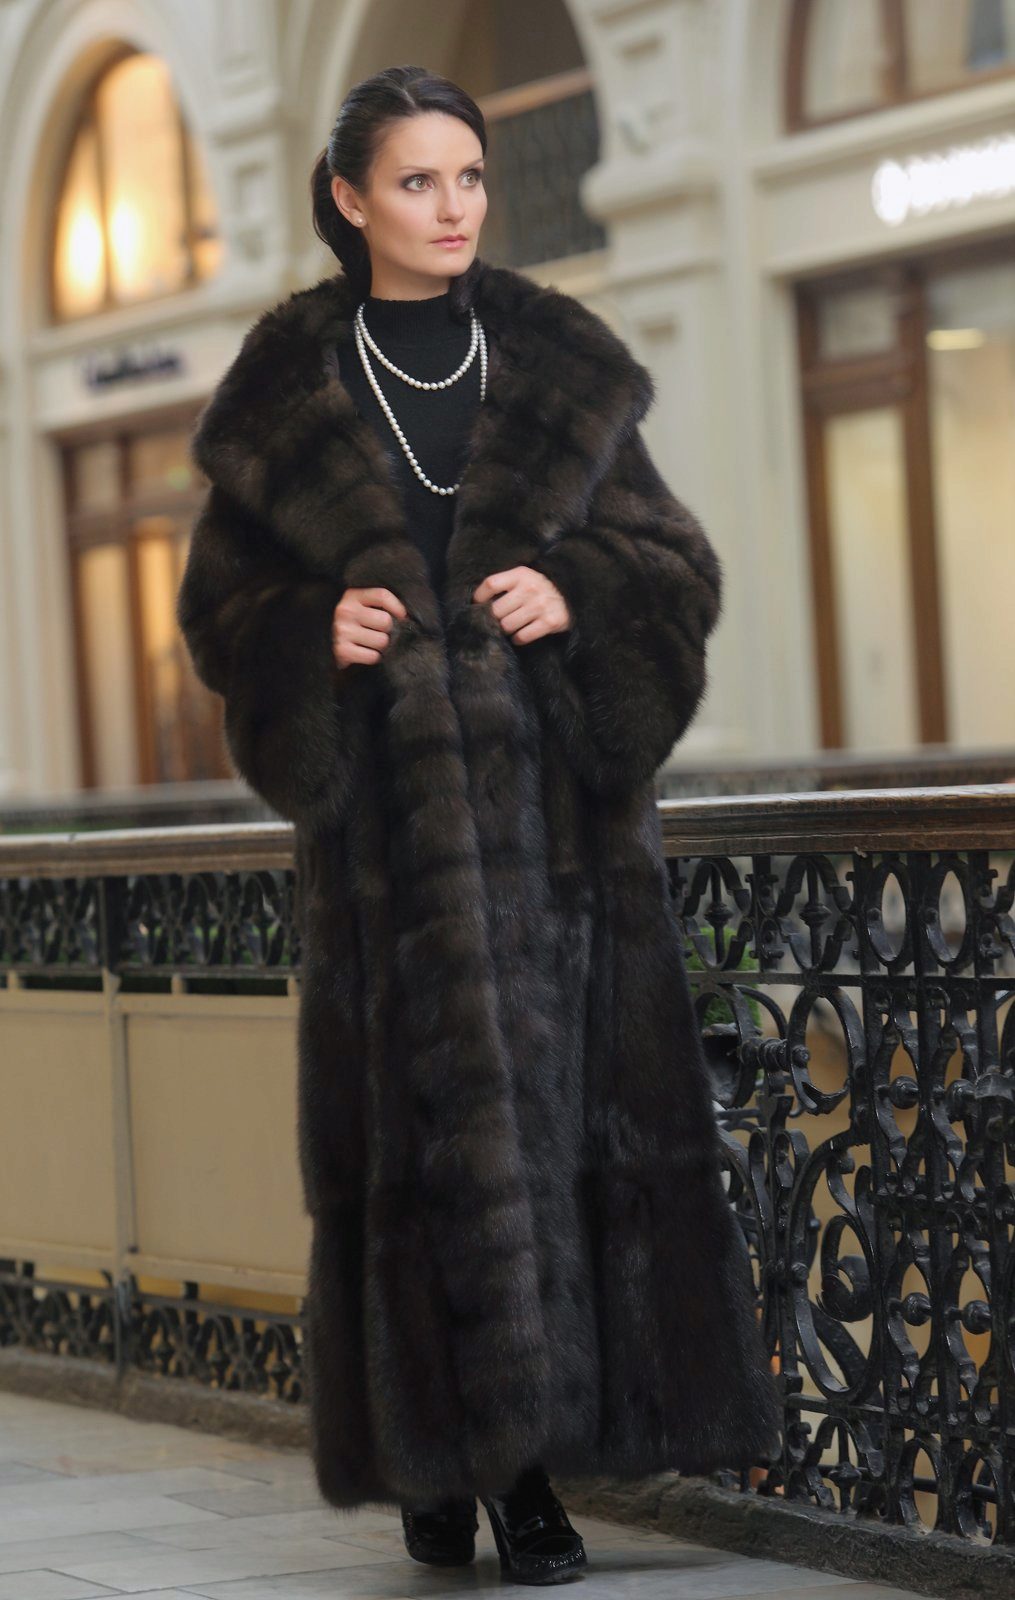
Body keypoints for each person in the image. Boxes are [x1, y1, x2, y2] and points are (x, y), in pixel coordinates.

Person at [176, 63, 781, 1589]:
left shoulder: (559, 367)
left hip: (568, 844)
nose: (452, 209)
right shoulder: (288, 400)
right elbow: (222, 615)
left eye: (470, 178)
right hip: (390, 850)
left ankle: (513, 1467)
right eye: (417, 181)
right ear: (349, 198)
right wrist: (308, 631)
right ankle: (461, 1466)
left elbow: (678, 567)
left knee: (563, 1141)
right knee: (425, 1155)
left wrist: (579, 589)